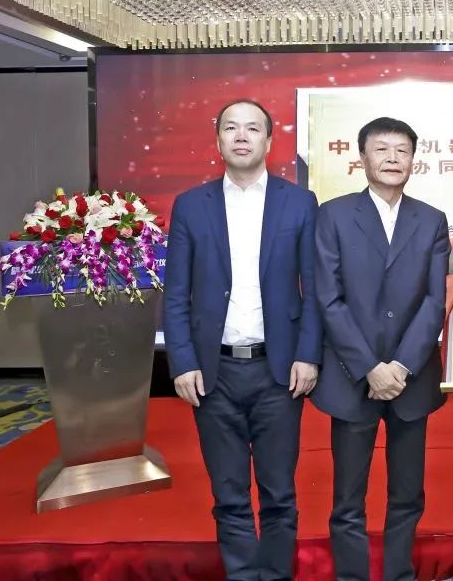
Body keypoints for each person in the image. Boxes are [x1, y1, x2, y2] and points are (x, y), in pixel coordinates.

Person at [163, 99, 321, 581]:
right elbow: (176, 293)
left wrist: (308, 355)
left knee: (278, 494)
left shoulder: (299, 203)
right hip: (214, 373)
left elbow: (315, 289)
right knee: (229, 495)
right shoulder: (191, 205)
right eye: (231, 128)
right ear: (218, 140)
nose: (241, 136)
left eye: (252, 128)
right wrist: (182, 361)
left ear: (269, 141)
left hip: (279, 371)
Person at [311, 116, 451, 581]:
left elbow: (434, 301)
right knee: (348, 498)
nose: (393, 158)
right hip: (353, 377)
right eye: (382, 149)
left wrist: (402, 366)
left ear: (413, 159)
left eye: (402, 150)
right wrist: (370, 366)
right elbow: (328, 299)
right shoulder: (333, 215)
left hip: (412, 379)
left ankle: (398, 574)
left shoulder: (431, 220)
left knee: (408, 495)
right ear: (362, 157)